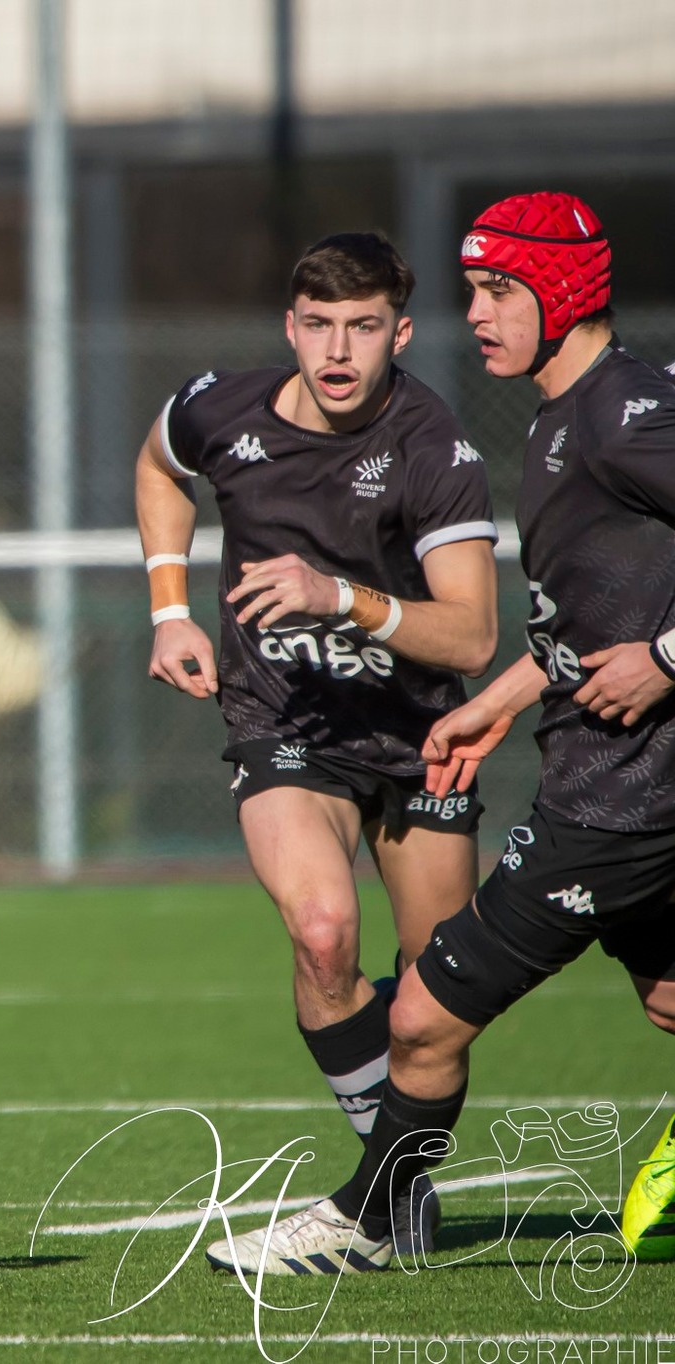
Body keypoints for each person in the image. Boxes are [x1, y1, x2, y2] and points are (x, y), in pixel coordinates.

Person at [207, 193, 675, 1276]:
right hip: (614, 777)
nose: (474, 315)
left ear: (558, 294)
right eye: (472, 290)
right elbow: (590, 614)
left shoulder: (621, 414)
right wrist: (502, 696)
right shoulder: (568, 414)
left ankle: (363, 1220)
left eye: (496, 291)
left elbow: (643, 640)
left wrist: (662, 660)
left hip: (618, 802)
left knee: (417, 1019)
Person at [135, 232, 498, 1256]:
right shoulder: (222, 407)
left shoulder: (434, 449)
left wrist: (334, 596)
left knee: (437, 995)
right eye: (319, 325)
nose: (338, 350)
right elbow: (159, 460)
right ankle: (390, 1203)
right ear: (290, 325)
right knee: (323, 929)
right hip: (283, 722)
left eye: (364, 326)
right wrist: (169, 604)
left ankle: (382, 1196)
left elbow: (470, 632)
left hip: (419, 735)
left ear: (401, 331)